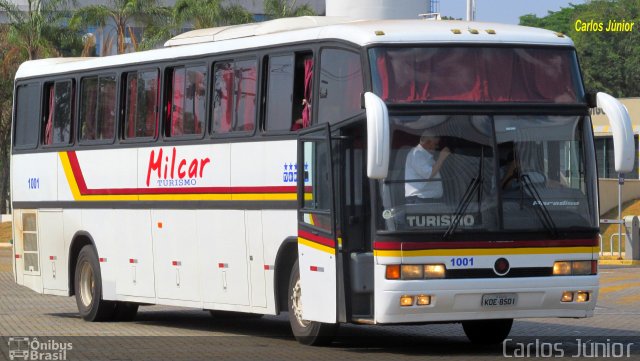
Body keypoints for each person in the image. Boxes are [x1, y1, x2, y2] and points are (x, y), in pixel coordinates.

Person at [405, 133, 450, 202]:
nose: (437, 147)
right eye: (435, 144)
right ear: (428, 142)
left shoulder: (423, 155)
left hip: (425, 199)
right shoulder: (417, 154)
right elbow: (428, 174)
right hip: (420, 200)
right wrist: (442, 157)